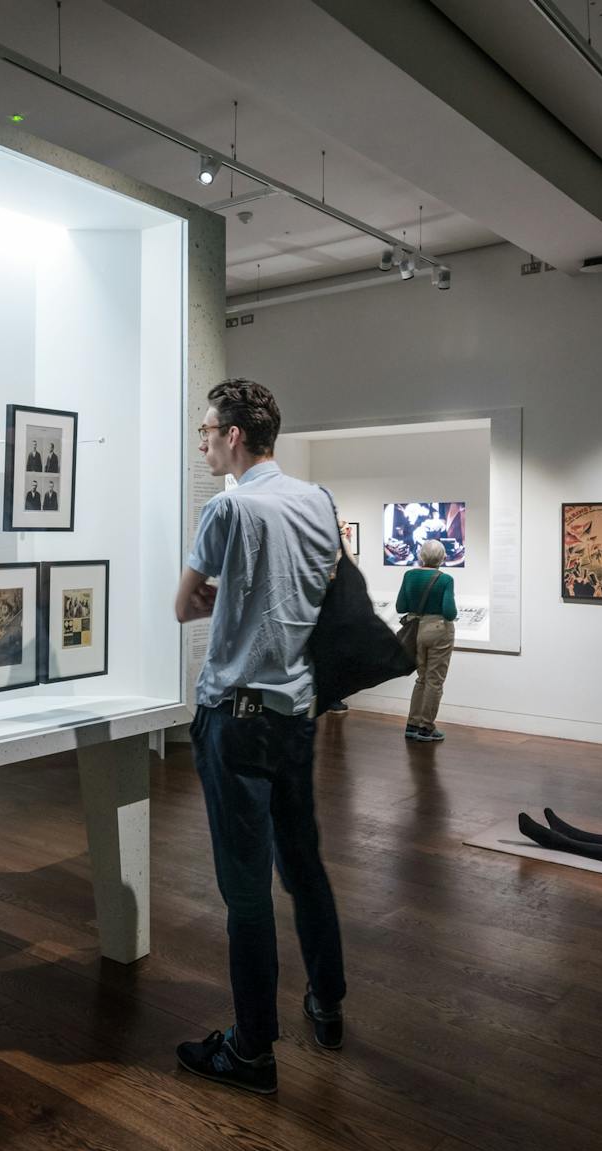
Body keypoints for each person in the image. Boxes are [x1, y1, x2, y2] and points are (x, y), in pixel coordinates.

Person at [173, 378, 346, 1097]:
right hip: (297, 715)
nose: (204, 441)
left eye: (208, 430)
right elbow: (319, 583)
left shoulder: (228, 507)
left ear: (235, 435)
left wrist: (208, 593)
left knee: (246, 892)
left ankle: (250, 1050)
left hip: (237, 717)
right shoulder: (316, 501)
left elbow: (183, 605)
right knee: (303, 866)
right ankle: (327, 1005)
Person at [395, 539, 457, 742]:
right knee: (434, 680)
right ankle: (426, 728)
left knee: (421, 678)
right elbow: (449, 612)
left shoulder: (409, 575)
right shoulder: (445, 579)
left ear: (421, 556)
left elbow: (400, 606)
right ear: (443, 558)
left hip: (415, 630)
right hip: (438, 630)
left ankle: (412, 724)